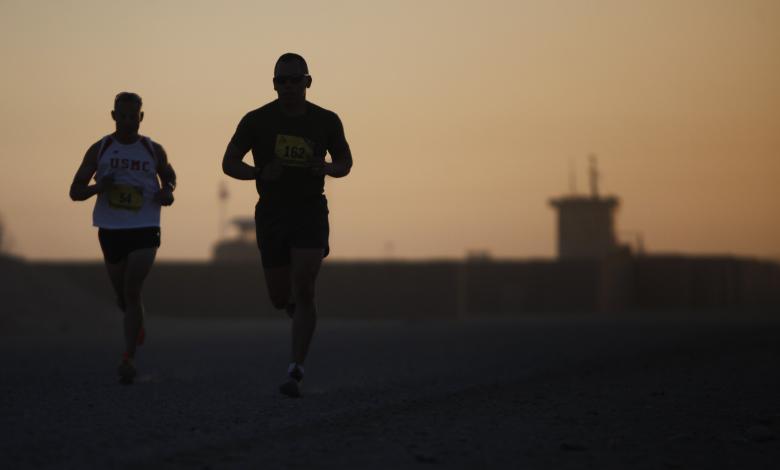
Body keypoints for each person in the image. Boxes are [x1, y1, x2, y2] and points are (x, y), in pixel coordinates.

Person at [222, 53, 352, 397]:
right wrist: (258, 173)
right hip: (272, 214)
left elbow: (345, 162)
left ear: (308, 82)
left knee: (306, 286)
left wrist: (325, 168)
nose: (289, 86)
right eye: (282, 80)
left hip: (309, 210)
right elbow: (229, 162)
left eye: (296, 79)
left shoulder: (326, 120)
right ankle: (294, 308)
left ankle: (296, 369)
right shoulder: (256, 120)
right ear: (274, 84)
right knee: (280, 297)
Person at [70, 92, 176, 384]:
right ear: (114, 116)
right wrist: (97, 188)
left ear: (141, 117)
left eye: (134, 116)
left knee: (132, 289)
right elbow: (75, 190)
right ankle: (136, 321)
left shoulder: (152, 149)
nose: (129, 121)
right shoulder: (101, 148)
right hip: (111, 228)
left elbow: (169, 177)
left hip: (145, 225)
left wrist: (167, 192)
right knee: (123, 296)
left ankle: (128, 357)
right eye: (123, 116)